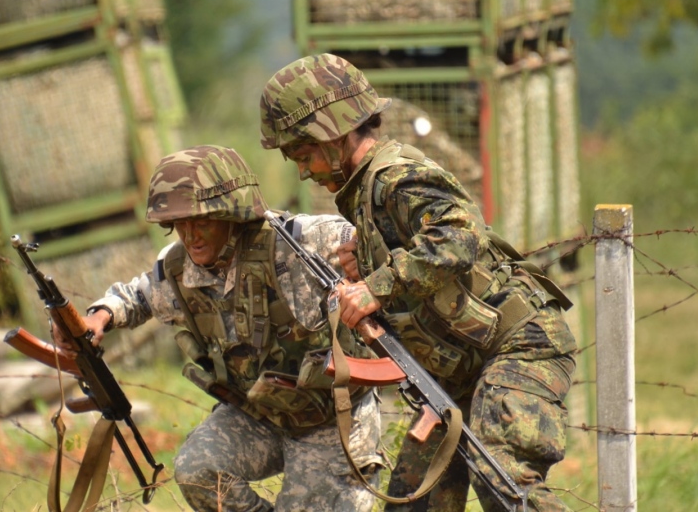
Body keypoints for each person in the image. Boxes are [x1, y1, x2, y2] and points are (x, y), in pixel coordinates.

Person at [258, 53, 577, 512]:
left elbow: (460, 233)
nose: (304, 171)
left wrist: (375, 286)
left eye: (303, 154)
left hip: (518, 348)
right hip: (460, 370)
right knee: (414, 500)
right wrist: (368, 267)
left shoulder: (395, 176)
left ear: (334, 133)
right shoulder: (364, 191)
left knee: (503, 479)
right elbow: (426, 273)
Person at [53, 144, 382, 512]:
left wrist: (366, 264)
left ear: (231, 215)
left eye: (202, 221)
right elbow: (139, 296)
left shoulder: (293, 243)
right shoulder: (179, 268)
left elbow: (367, 241)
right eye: (181, 223)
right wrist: (98, 316)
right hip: (262, 416)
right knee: (197, 469)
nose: (191, 235)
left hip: (330, 421)